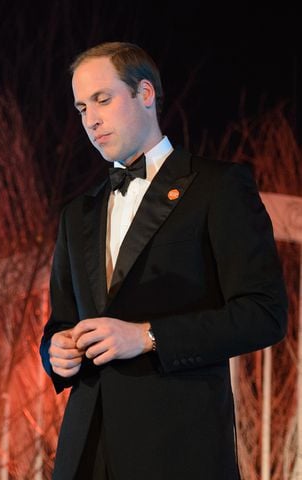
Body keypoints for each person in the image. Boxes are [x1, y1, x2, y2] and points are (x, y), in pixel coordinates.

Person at [39, 42, 288, 479]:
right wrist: (54, 352)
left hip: (177, 446)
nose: (90, 120)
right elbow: (60, 322)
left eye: (103, 98)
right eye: (81, 108)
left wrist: (149, 336)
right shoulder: (77, 213)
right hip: (86, 448)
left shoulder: (218, 187)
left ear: (146, 94)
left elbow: (263, 313)